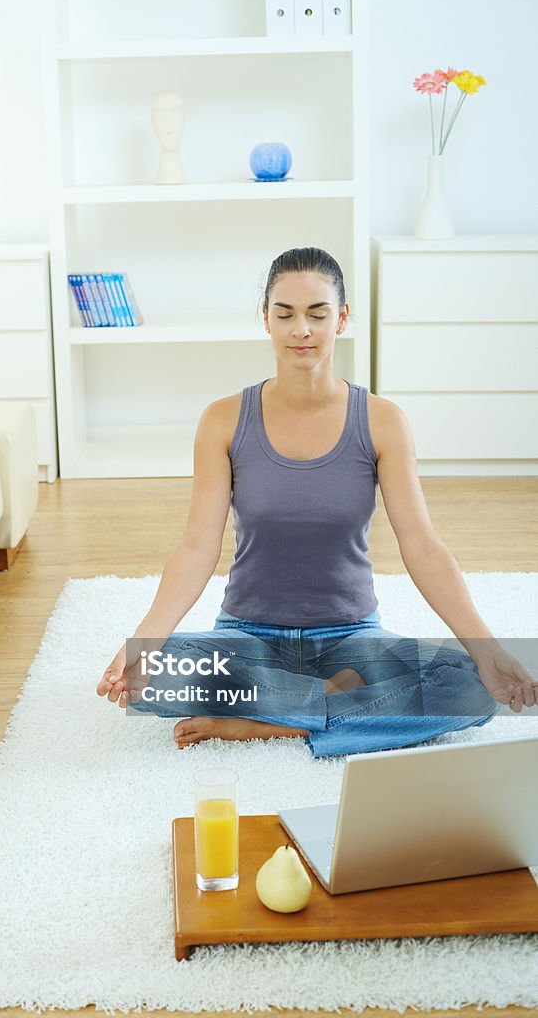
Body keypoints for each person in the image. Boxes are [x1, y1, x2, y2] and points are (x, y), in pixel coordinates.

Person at [96, 246, 538, 756]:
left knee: (469, 686)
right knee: (154, 678)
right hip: (249, 639)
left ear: (342, 318)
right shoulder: (221, 419)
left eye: (317, 313)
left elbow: (422, 546)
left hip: (353, 642)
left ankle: (277, 722)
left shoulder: (381, 420)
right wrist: (147, 643)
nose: (300, 329)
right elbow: (197, 547)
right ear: (265, 319)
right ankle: (333, 708)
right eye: (284, 314)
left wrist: (486, 649)